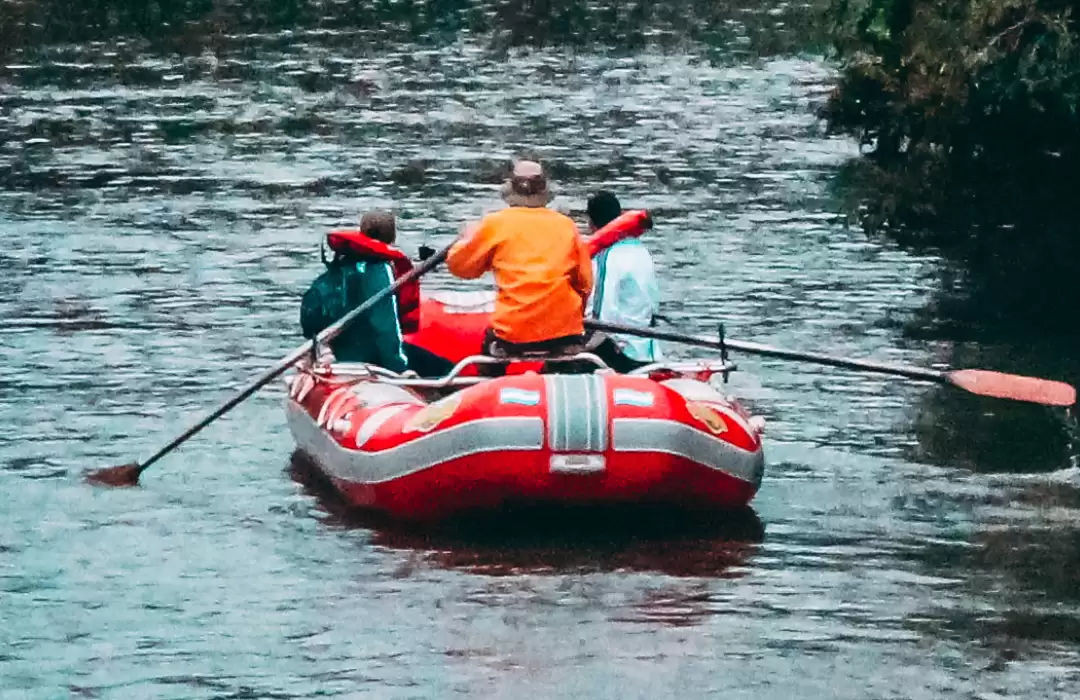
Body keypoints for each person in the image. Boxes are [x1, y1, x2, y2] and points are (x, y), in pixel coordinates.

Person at [446, 159, 593, 370]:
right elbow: (584, 283)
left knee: (488, 359)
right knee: (569, 360)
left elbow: (462, 268)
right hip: (563, 330)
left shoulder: (495, 223)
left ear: (511, 188)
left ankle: (486, 384)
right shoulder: (566, 225)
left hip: (512, 331)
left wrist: (467, 239)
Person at [299, 210, 410, 373]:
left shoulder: (344, 260)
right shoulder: (380, 270)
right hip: (366, 360)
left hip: (341, 349)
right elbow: (386, 326)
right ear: (392, 239)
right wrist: (400, 370)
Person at [584, 191, 663, 372]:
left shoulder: (606, 257)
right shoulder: (640, 250)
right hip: (649, 350)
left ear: (591, 224)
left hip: (625, 354)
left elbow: (601, 317)